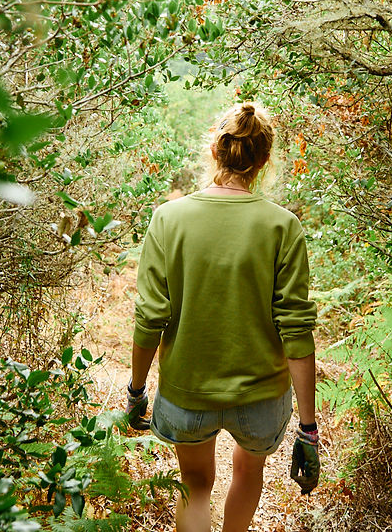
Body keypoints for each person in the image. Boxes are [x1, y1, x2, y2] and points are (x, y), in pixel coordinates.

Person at [125, 101, 320, 532]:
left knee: (195, 485)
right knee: (249, 473)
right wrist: (308, 427)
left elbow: (150, 317)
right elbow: (297, 330)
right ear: (264, 161)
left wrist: (137, 390)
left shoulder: (168, 219)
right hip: (261, 398)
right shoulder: (283, 226)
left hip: (187, 391)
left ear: (215, 150)